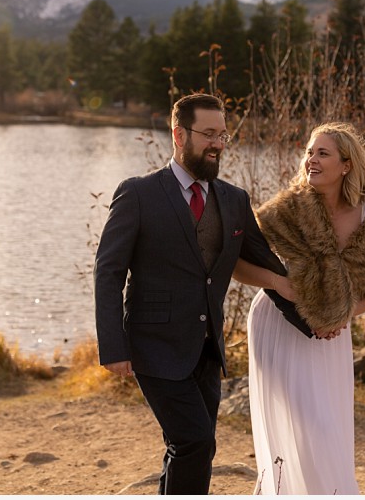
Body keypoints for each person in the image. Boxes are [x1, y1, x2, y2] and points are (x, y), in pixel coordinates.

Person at [93, 93, 298, 495]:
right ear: (179, 135)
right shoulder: (138, 193)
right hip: (153, 346)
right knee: (195, 441)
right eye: (208, 134)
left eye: (223, 134)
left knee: (191, 446)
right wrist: (113, 346)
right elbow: (108, 271)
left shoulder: (235, 200)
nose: (218, 143)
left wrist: (316, 318)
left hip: (207, 351)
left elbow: (268, 266)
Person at [233, 121, 365, 495]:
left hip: (331, 333)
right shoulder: (284, 210)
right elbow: (239, 266)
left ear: (346, 165)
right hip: (277, 322)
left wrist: (336, 317)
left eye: (323, 153)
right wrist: (279, 283)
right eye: (309, 151)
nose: (312, 160)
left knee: (325, 426)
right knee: (293, 424)